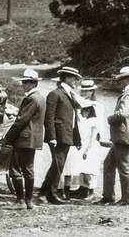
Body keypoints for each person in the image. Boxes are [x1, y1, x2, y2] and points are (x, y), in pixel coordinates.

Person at [96, 66, 129, 206]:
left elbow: (122, 113)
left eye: (121, 79)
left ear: (128, 79)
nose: (119, 82)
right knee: (109, 164)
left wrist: (110, 119)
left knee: (124, 168)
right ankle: (108, 196)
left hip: (124, 137)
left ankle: (127, 199)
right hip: (125, 136)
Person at [1, 69, 45, 210]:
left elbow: (21, 121)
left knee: (15, 168)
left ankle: (21, 200)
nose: (23, 85)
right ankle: (29, 201)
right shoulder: (40, 97)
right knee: (28, 169)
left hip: (23, 138)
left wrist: (7, 138)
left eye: (26, 82)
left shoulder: (32, 99)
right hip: (32, 139)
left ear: (33, 83)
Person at [37, 66, 82, 204]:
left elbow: (73, 119)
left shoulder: (69, 94)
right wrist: (52, 137)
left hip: (67, 136)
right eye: (75, 79)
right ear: (68, 78)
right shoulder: (55, 94)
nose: (76, 82)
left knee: (57, 165)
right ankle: (51, 193)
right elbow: (48, 117)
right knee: (58, 164)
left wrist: (77, 139)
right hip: (58, 136)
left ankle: (44, 193)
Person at [69, 79, 104, 201]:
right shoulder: (81, 105)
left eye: (87, 91)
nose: (84, 93)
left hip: (91, 140)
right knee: (80, 166)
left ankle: (91, 190)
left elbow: (96, 129)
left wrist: (89, 147)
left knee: (89, 167)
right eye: (82, 91)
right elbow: (78, 102)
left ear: (92, 91)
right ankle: (82, 189)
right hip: (81, 140)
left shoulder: (96, 106)